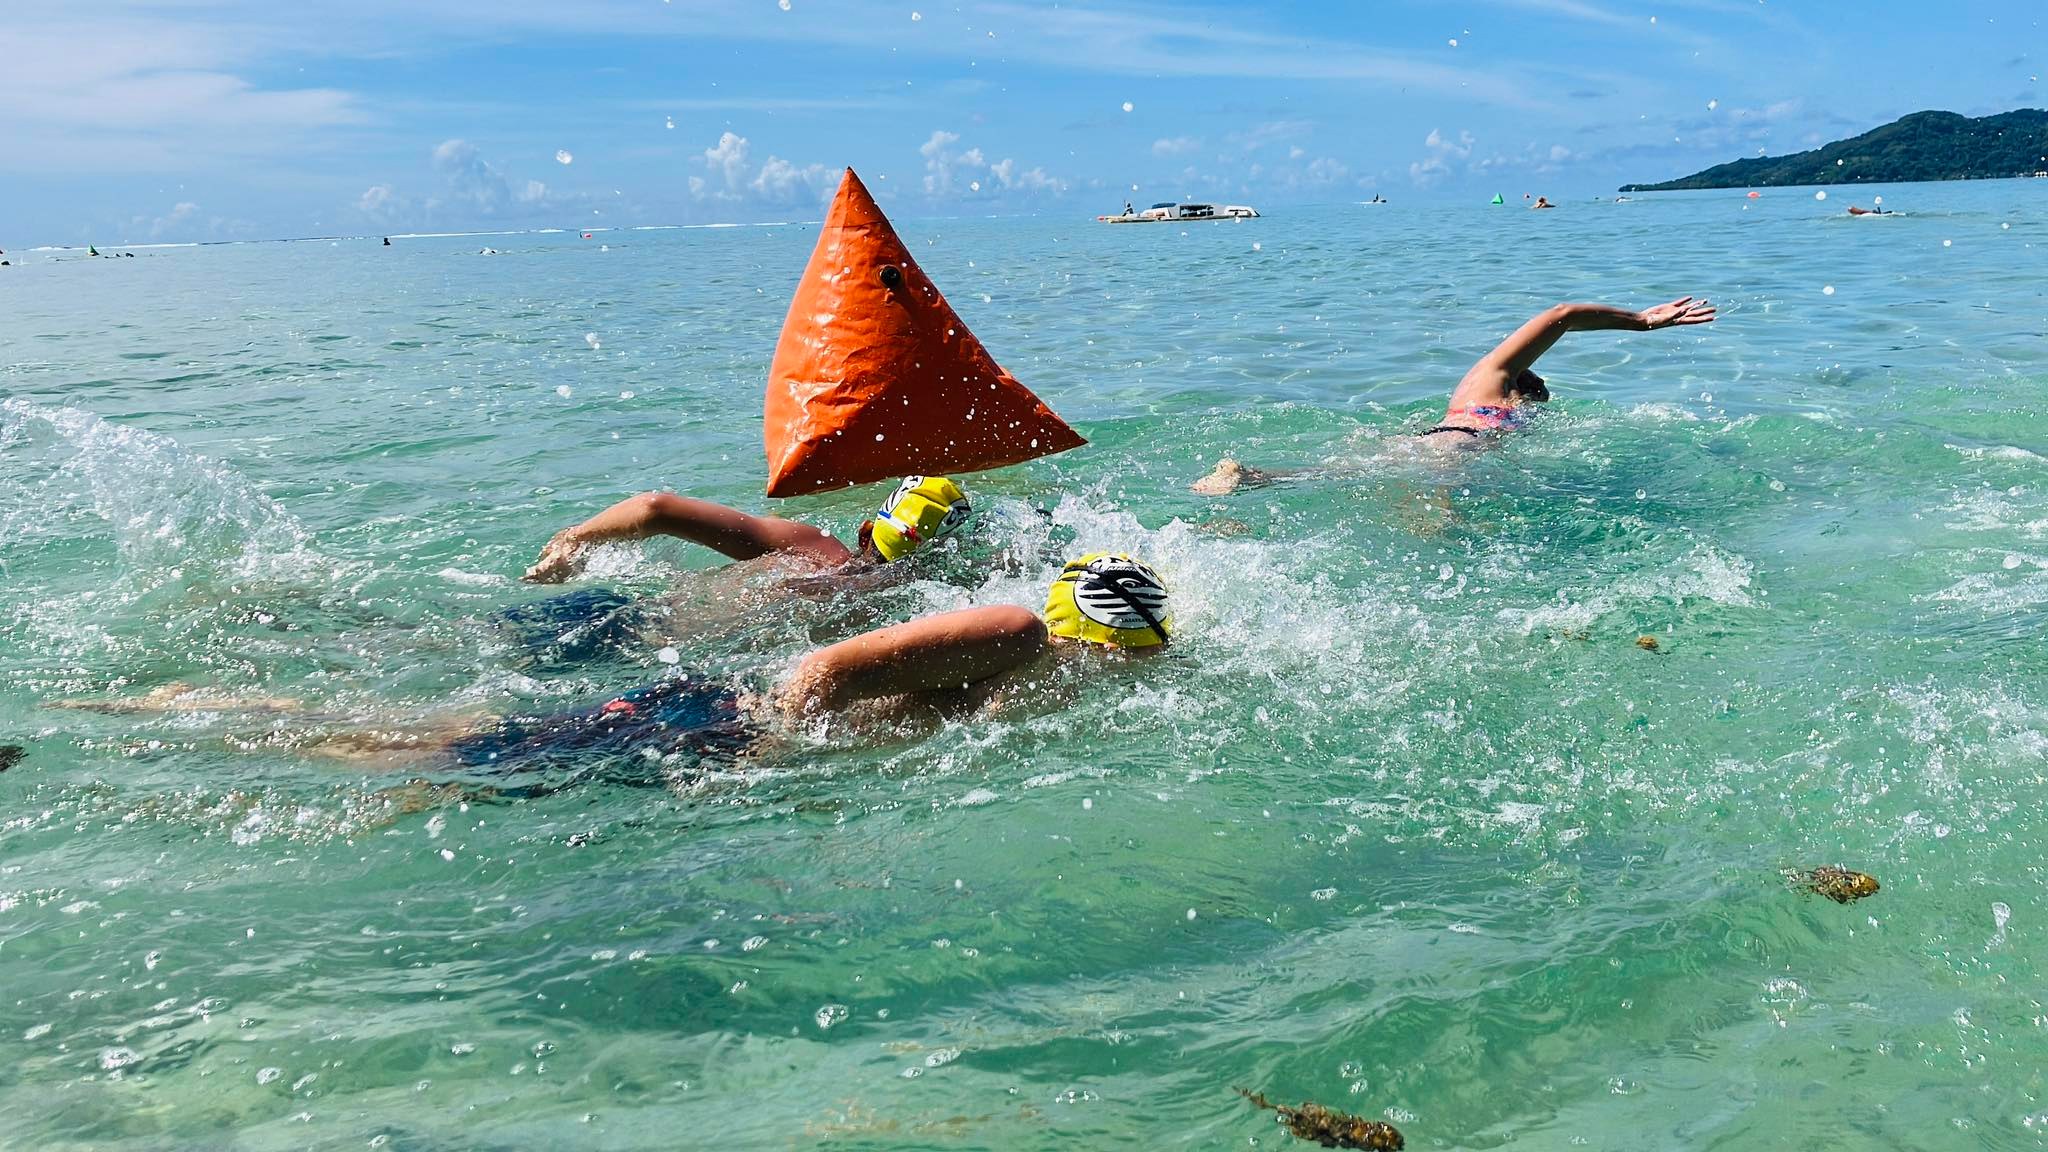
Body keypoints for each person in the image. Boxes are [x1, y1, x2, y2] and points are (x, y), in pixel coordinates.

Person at [71, 554, 1173, 794]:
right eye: (1131, 656)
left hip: (713, 731)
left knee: (431, 749)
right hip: (713, 728)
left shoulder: (1035, 655)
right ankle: (195, 714)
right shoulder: (1017, 634)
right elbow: (823, 670)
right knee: (421, 756)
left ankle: (208, 718)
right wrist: (777, 754)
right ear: (1101, 633)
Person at [1192, 296, 1716, 492]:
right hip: (1453, 445)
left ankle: (1253, 477)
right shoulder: (1490, 380)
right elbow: (1562, 316)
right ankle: (1249, 477)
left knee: (1347, 472)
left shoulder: (1488, 397)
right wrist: (1641, 321)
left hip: (1436, 441)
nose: (1541, 391)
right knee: (1385, 481)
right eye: (1538, 387)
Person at [523, 474, 971, 583]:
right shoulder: (917, 613)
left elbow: (655, 508)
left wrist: (572, 540)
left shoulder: (810, 546)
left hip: (620, 622)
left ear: (864, 531)